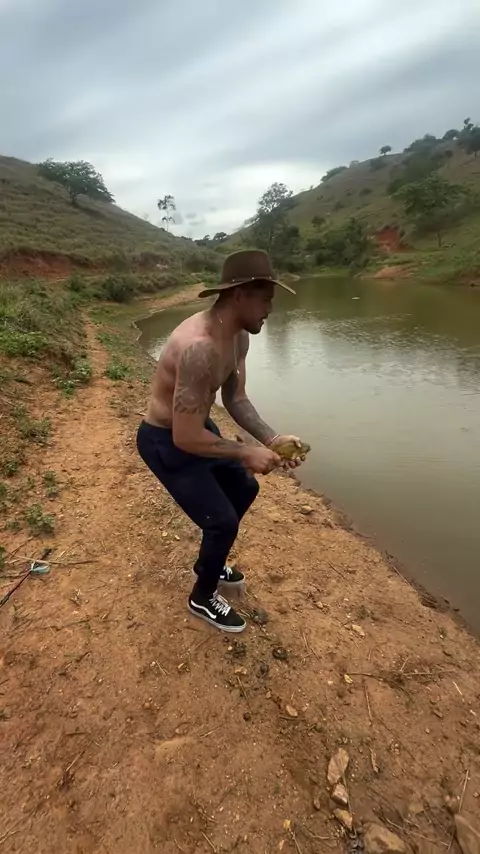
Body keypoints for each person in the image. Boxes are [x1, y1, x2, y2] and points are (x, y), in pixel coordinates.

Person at [136, 249, 307, 633]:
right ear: (240, 295)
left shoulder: (238, 336)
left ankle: (209, 563)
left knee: (244, 488)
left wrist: (272, 439)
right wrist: (245, 451)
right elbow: (184, 436)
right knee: (223, 522)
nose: (270, 310)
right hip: (165, 440)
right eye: (265, 300)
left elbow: (235, 399)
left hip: (197, 430)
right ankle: (202, 596)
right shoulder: (199, 347)